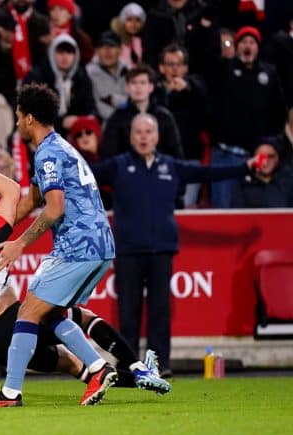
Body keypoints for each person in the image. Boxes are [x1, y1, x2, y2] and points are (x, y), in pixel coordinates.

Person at [0, 151, 171, 400]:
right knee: (72, 314)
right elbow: (11, 189)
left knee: (70, 363)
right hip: (11, 321)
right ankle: (135, 368)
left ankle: (131, 378)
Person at [0, 83, 117, 407]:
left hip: (78, 245)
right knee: (50, 314)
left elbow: (54, 208)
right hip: (99, 243)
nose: (17, 121)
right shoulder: (58, 148)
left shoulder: (48, 153)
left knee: (28, 311)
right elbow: (33, 200)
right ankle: (97, 367)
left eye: (18, 115)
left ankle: (13, 392)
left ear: (29, 118)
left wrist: (19, 245)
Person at [90, 113, 261, 376]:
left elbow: (207, 173)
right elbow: (83, 173)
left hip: (162, 250)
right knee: (128, 314)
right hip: (128, 251)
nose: (143, 136)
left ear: (157, 136)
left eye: (148, 131)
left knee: (160, 312)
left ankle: (160, 365)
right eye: (138, 132)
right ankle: (127, 365)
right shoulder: (118, 166)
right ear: (131, 137)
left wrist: (245, 167)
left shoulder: (170, 166)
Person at [208, 26, 287, 208]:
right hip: (226, 155)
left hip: (258, 157)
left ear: (258, 47)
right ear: (236, 47)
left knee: (258, 211)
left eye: (252, 42)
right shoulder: (223, 69)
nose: (248, 46)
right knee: (224, 211)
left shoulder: (269, 74)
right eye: (243, 42)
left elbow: (278, 113)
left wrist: (268, 145)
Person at [154, 43, 210, 208]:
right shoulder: (154, 91)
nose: (175, 69)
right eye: (170, 64)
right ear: (161, 68)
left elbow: (206, 101)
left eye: (179, 64)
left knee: (186, 208)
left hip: (189, 159)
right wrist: (167, 94)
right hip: (161, 160)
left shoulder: (195, 88)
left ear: (185, 68)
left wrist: (188, 87)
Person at [101, 64, 184, 160]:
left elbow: (176, 154)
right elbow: (109, 155)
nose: (138, 87)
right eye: (134, 83)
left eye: (143, 83)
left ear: (151, 87)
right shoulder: (117, 118)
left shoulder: (164, 116)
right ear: (127, 87)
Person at [24, 33, 97, 135]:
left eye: (69, 52)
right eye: (60, 52)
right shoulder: (37, 77)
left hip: (75, 132)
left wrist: (83, 119)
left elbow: (90, 107)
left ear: (76, 55)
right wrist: (61, 122)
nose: (65, 57)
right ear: (52, 53)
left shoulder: (81, 76)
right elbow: (32, 114)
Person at [231, 140, 293, 208]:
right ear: (253, 159)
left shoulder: (288, 184)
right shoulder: (243, 185)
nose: (266, 161)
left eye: (271, 156)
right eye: (261, 157)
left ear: (277, 159)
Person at [85, 30, 128, 123]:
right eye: (103, 47)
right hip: (102, 127)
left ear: (120, 50)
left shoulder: (129, 71)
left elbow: (135, 102)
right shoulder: (88, 73)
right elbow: (97, 105)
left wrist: (114, 99)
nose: (107, 51)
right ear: (97, 51)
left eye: (112, 46)